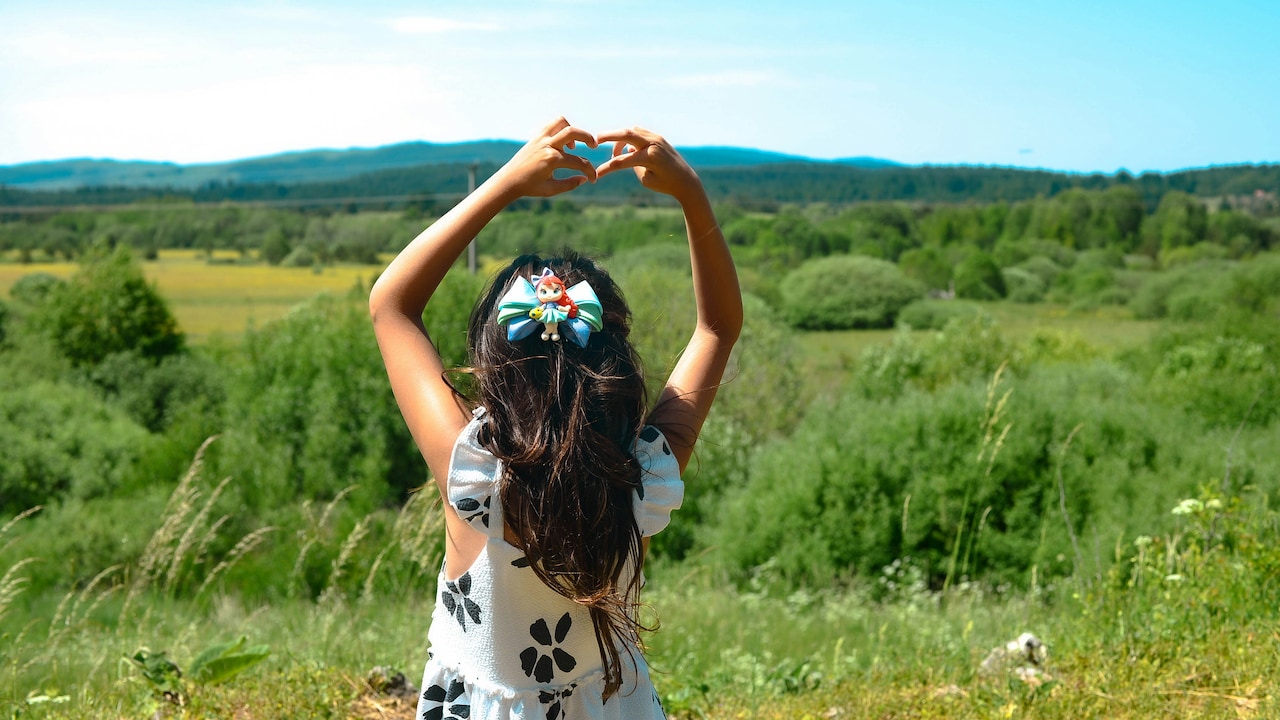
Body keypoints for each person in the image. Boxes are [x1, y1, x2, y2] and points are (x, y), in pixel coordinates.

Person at [369, 117, 742, 719]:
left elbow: (392, 306)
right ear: (614, 364)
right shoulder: (642, 473)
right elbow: (718, 327)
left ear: (494, 360)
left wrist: (506, 184)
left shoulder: (474, 472)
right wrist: (691, 193)